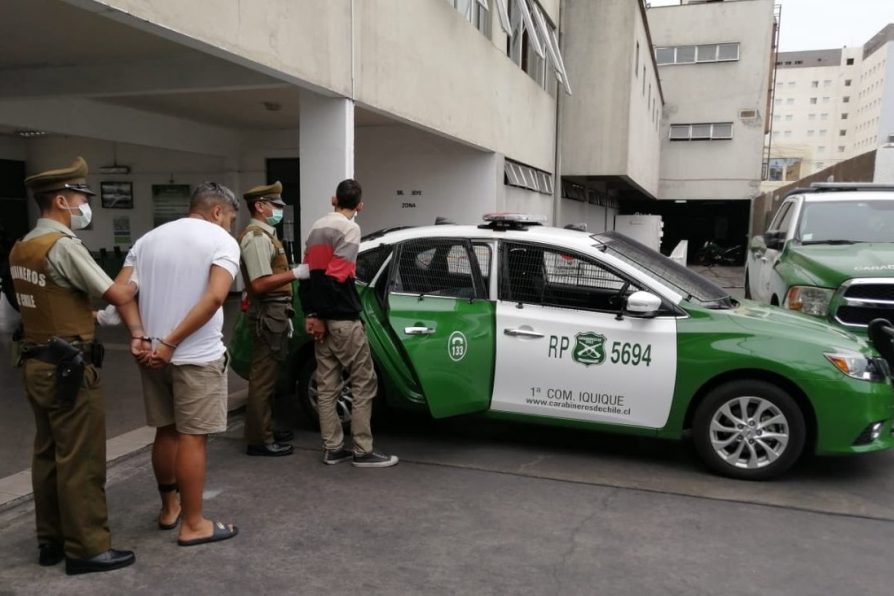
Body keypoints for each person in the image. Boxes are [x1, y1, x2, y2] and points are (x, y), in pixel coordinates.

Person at [9, 156, 137, 575]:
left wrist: (89, 316)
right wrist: (138, 273)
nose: (85, 205)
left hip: (37, 362)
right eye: (82, 198)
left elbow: (49, 303)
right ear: (62, 200)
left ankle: (51, 541)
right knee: (80, 459)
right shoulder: (63, 245)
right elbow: (115, 292)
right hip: (69, 369)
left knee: (47, 455)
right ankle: (87, 548)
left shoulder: (22, 245)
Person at [118, 181, 239, 547]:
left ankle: (169, 509)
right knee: (193, 438)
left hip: (152, 356)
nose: (231, 225)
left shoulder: (148, 240)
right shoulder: (221, 241)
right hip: (195, 357)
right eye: (231, 218)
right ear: (218, 211)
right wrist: (172, 342)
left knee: (166, 431)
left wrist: (139, 333)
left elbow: (121, 292)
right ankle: (194, 523)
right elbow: (217, 297)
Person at [299, 178, 398, 468]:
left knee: (327, 386)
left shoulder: (317, 227)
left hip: (322, 318)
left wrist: (313, 315)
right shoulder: (351, 228)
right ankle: (363, 450)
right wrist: (328, 316)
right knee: (364, 382)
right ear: (360, 206)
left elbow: (306, 274)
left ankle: (332, 448)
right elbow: (336, 276)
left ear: (334, 200)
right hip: (342, 318)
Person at [237, 181, 309, 456]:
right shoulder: (255, 237)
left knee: (270, 376)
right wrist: (296, 274)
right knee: (263, 379)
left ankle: (265, 428)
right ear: (260, 206)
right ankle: (259, 439)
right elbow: (259, 284)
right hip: (267, 312)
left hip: (275, 312)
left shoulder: (267, 234)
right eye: (275, 205)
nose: (279, 210)